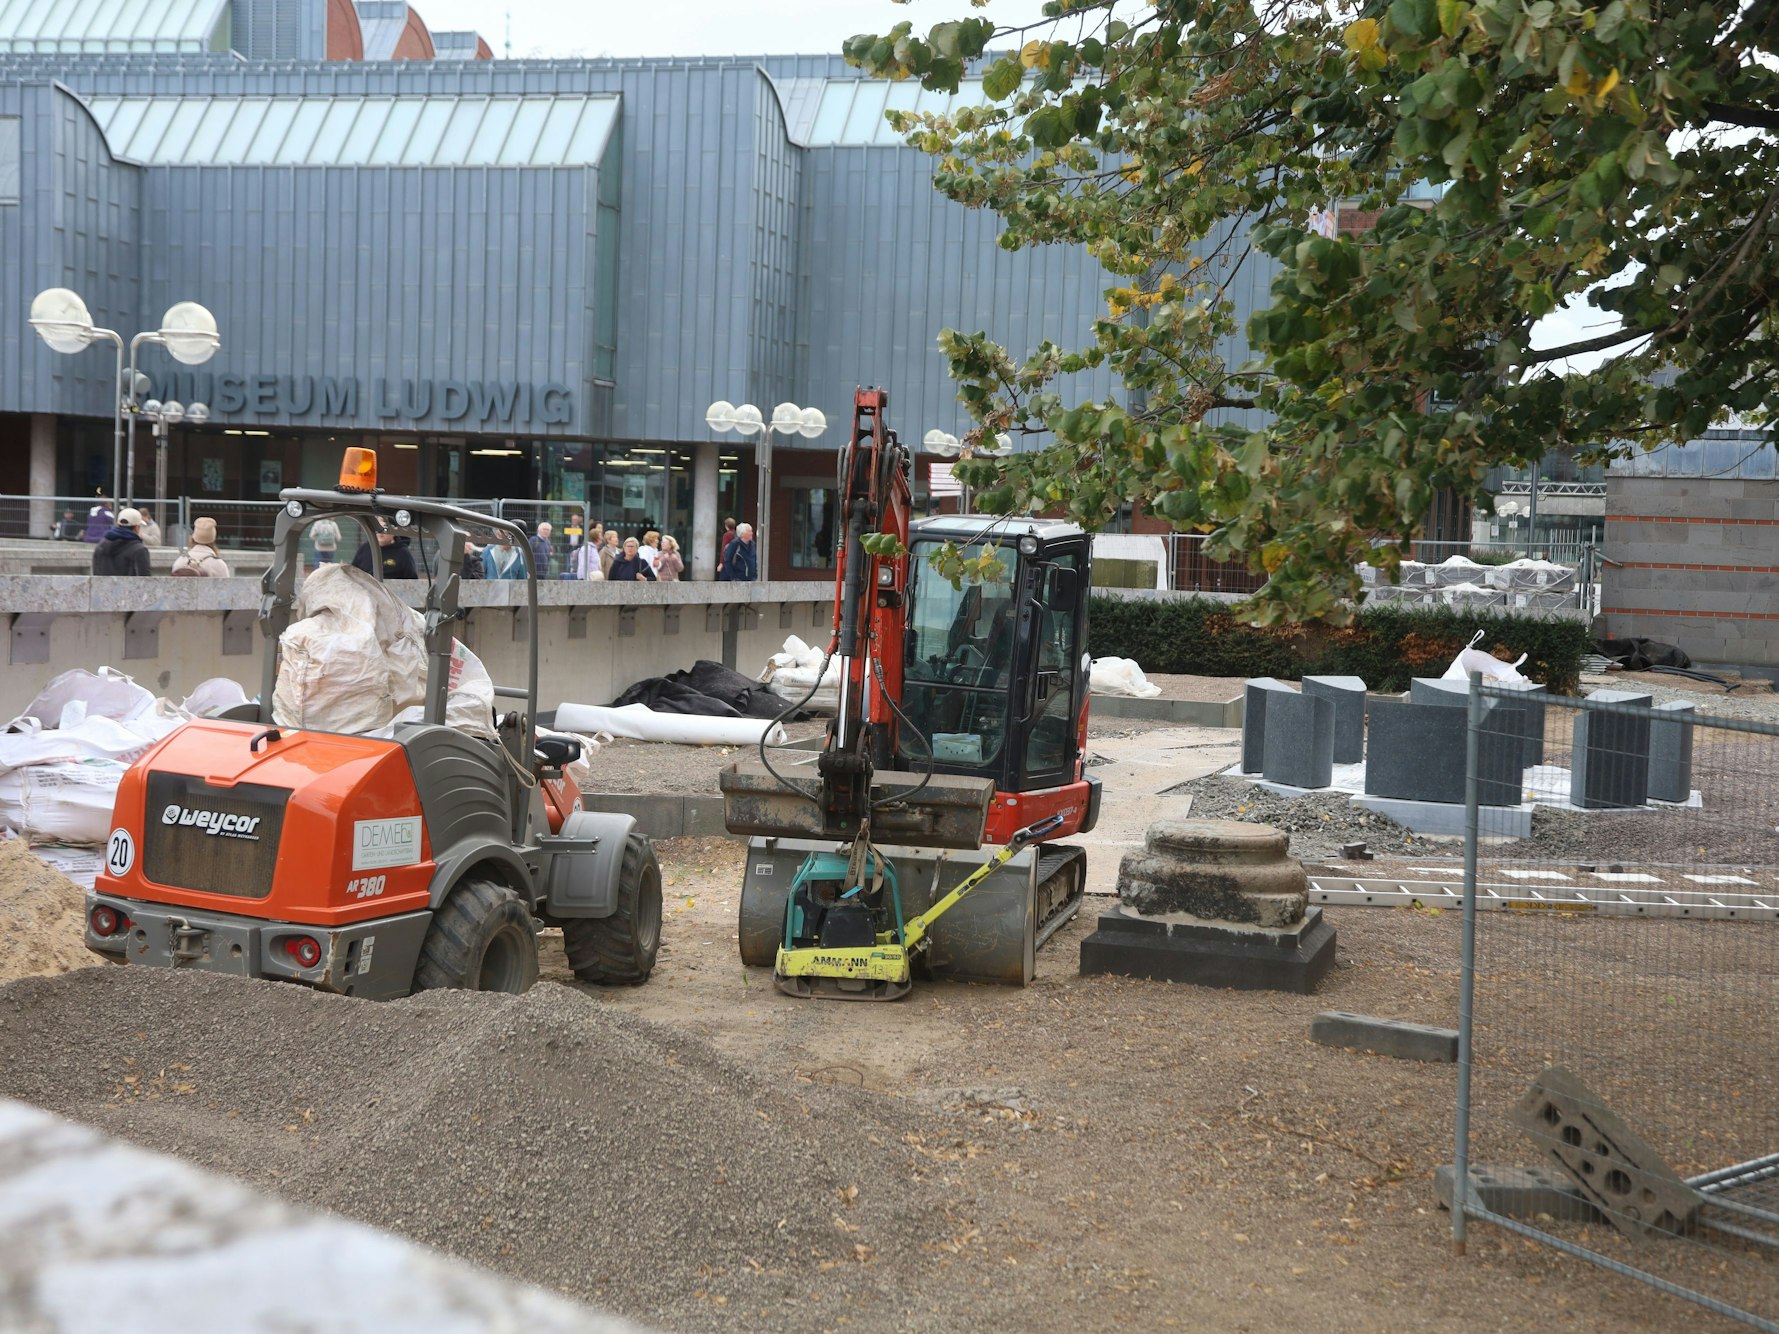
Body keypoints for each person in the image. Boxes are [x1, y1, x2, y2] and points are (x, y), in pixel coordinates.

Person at [92, 507, 149, 576]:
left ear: (118, 524)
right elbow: (144, 580)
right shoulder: (139, 550)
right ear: (137, 527)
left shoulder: (101, 546)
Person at [351, 523, 419, 579]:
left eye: (384, 529)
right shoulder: (364, 548)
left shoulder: (403, 554)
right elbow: (352, 573)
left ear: (394, 531)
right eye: (377, 528)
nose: (380, 532)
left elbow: (411, 581)